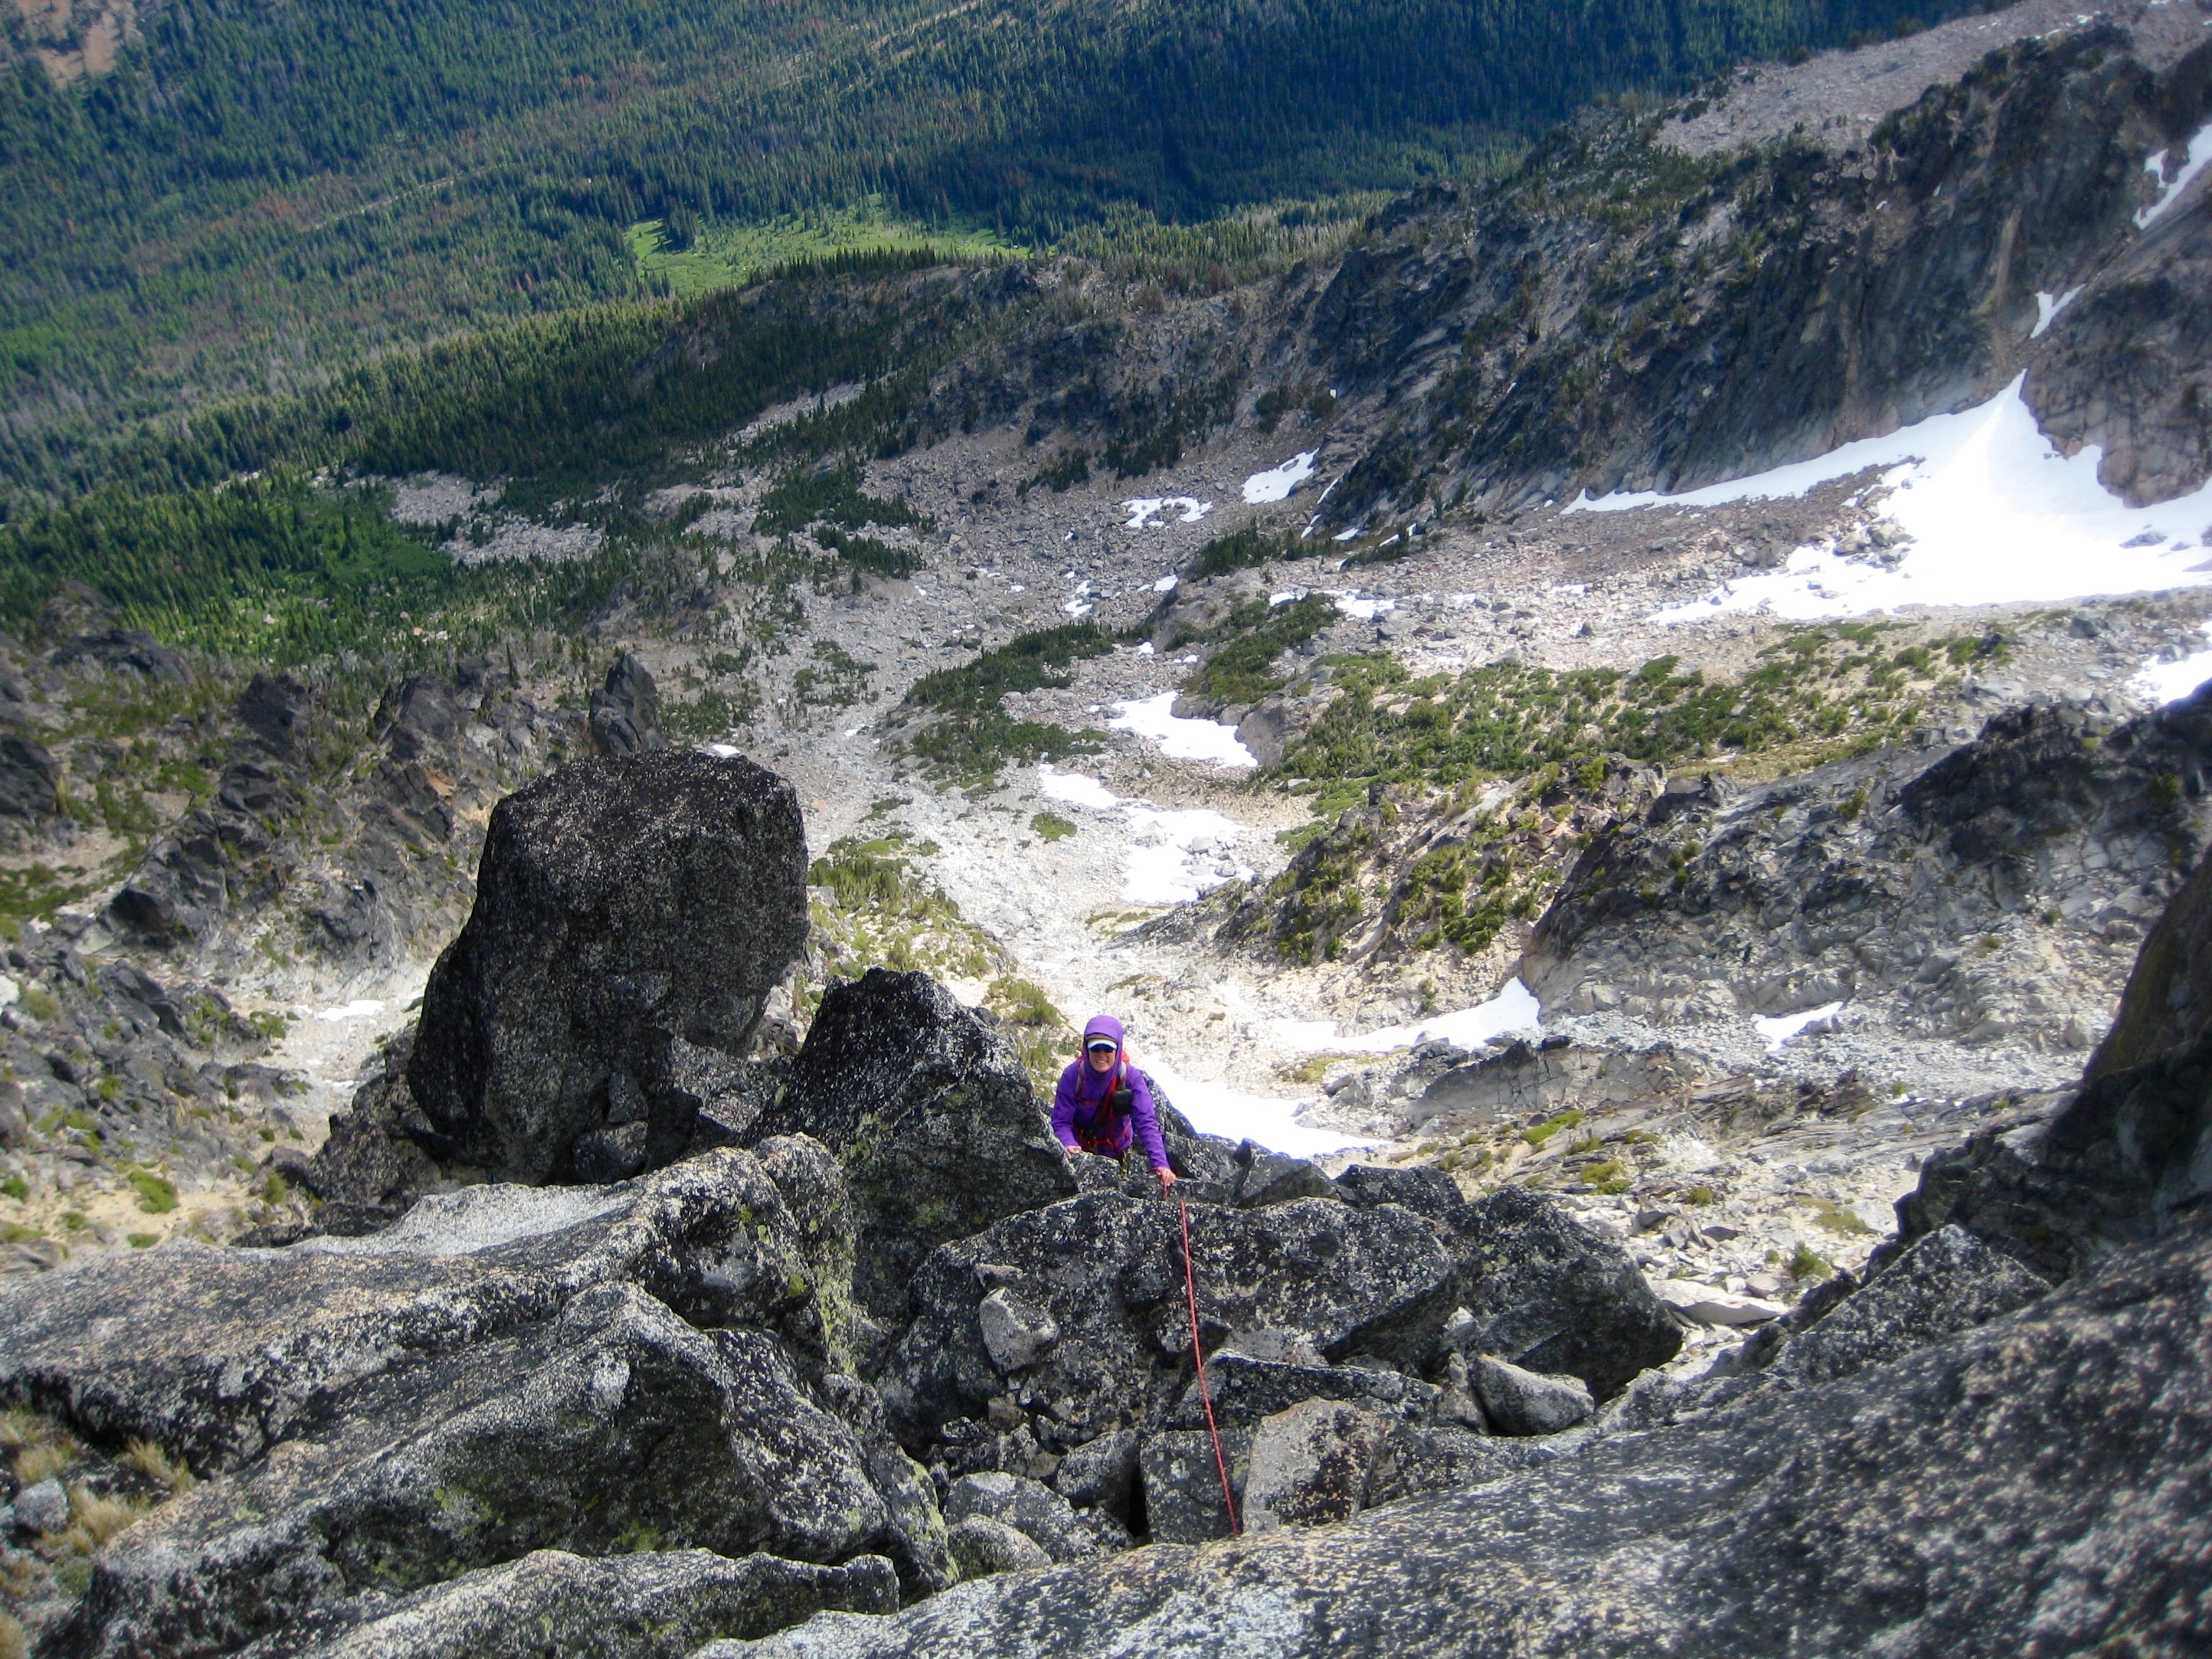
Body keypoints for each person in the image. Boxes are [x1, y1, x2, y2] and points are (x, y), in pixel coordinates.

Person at [1053, 1014, 1176, 1192]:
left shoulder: (1131, 1077)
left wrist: (1161, 1165)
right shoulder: (1072, 1076)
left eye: (1108, 1048)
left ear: (1118, 1049)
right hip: (1079, 1156)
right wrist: (1068, 1143)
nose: (1101, 1055)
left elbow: (1146, 1122)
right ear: (1086, 1049)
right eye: (1095, 1048)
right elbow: (1061, 1121)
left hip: (1118, 1154)